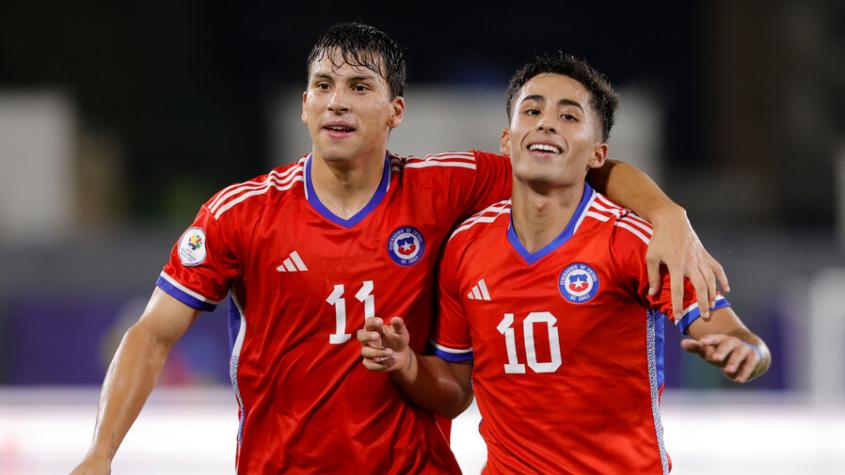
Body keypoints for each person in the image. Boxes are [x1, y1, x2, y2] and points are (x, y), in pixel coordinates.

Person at [72, 24, 728, 474]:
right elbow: (153, 333)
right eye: (323, 85)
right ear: (303, 105)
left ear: (395, 111)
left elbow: (574, 166)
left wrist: (666, 213)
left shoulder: (447, 186)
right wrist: (102, 450)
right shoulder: (240, 212)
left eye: (360, 87)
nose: (337, 101)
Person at [358, 53, 771, 474]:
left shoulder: (632, 242)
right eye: (532, 110)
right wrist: (406, 363)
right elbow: (453, 387)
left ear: (598, 154)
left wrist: (746, 352)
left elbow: (734, 334)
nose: (546, 122)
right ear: (506, 139)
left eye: (569, 116)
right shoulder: (465, 246)